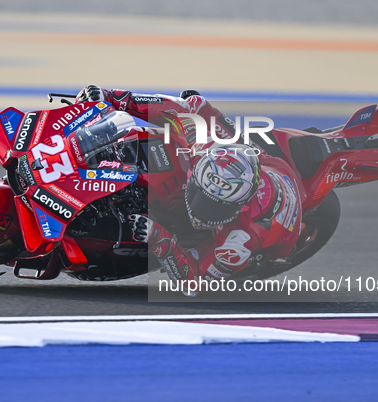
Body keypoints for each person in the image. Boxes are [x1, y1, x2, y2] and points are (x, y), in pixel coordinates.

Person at [75, 85, 303, 296]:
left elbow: (194, 286)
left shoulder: (241, 238)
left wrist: (159, 237)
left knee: (275, 253)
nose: (200, 210)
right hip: (264, 164)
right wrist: (111, 98)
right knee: (194, 102)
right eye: (200, 194)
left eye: (213, 207)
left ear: (239, 206)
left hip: (280, 226)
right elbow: (180, 109)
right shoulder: (203, 148)